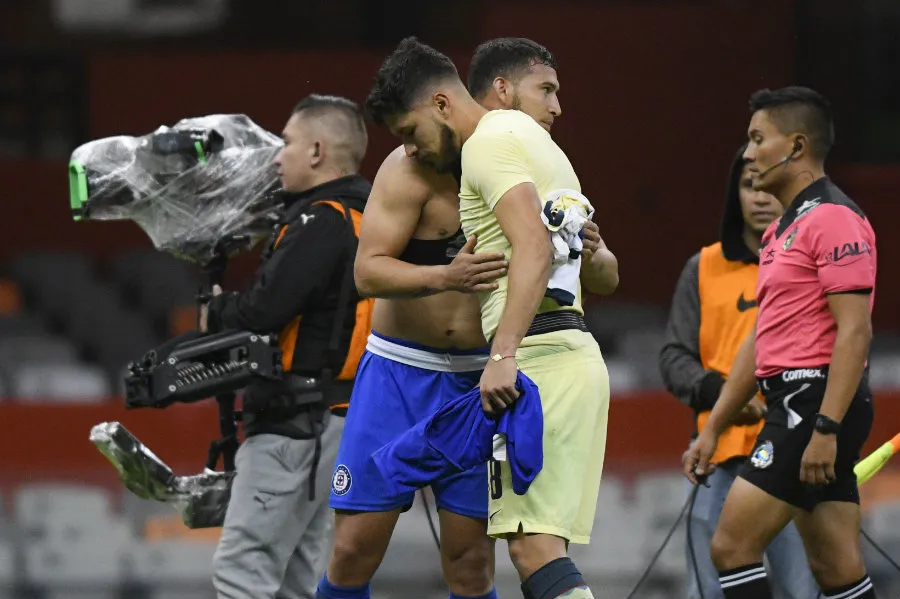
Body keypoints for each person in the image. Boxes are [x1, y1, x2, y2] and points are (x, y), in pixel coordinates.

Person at [316, 38, 617, 599]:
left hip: (483, 376)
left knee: (471, 560)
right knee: (353, 549)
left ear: (441, 105)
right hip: (400, 372)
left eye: (411, 131)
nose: (409, 146)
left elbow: (580, 270)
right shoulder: (405, 172)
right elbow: (366, 271)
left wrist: (592, 253)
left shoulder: (516, 155)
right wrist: (443, 276)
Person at [683, 86, 878, 599]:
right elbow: (761, 337)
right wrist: (714, 428)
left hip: (812, 405)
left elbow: (856, 330)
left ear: (796, 146)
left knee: (731, 547)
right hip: (798, 403)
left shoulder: (834, 218)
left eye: (757, 139)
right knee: (837, 569)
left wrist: (826, 427)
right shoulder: (782, 231)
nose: (748, 153)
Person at [201, 94, 373, 599]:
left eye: (288, 143)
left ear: (317, 151)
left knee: (243, 569)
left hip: (293, 421)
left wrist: (216, 310)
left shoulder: (320, 220)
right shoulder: (369, 217)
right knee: (296, 578)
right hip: (338, 418)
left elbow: (261, 312)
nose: (277, 157)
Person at [659, 146, 820, 599]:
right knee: (709, 590)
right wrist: (721, 393)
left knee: (803, 589)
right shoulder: (703, 267)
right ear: (735, 195)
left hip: (794, 454)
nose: (760, 197)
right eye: (749, 186)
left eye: (770, 187)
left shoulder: (812, 267)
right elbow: (673, 357)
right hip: (718, 457)